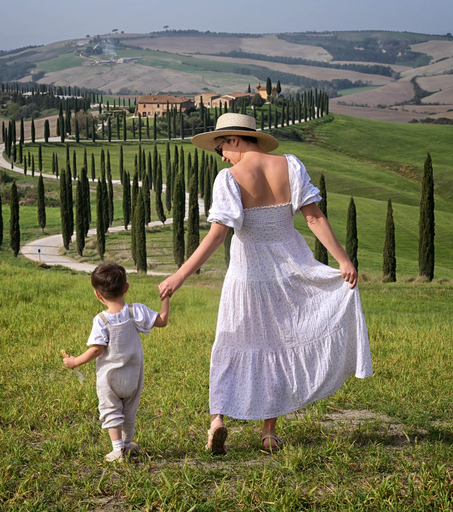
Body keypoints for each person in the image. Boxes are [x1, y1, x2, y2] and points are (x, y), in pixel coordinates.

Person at [158, 113, 372, 454]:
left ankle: (217, 421)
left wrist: (179, 275)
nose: (223, 156)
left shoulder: (229, 178)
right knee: (278, 343)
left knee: (230, 341)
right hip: (291, 268)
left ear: (235, 140)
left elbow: (216, 236)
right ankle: (269, 434)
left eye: (221, 149)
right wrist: (343, 261)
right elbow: (314, 217)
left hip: (248, 273)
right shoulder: (290, 164)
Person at [63, 262, 170, 461]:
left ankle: (118, 449)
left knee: (111, 410)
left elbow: (96, 349)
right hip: (133, 376)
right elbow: (162, 321)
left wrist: (74, 361)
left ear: (98, 295)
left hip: (109, 377)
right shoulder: (136, 311)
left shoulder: (101, 319)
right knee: (129, 411)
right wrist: (165, 299)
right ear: (127, 288)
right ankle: (128, 445)